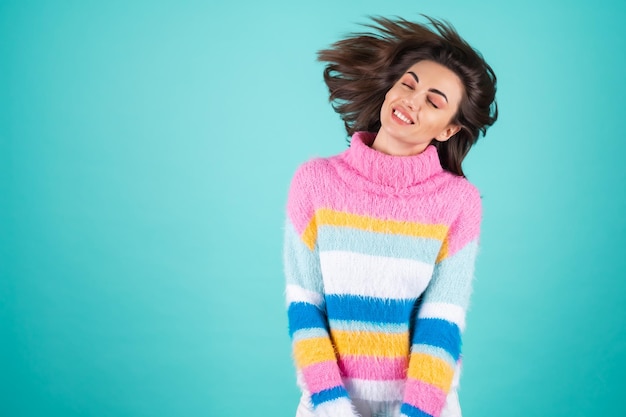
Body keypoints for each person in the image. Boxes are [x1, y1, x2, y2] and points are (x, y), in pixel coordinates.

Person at [283, 16, 498, 417]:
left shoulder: (457, 202)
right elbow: (305, 307)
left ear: (449, 129)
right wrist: (331, 407)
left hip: (424, 409)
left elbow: (442, 322)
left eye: (434, 101)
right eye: (408, 84)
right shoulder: (314, 182)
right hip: (324, 407)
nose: (412, 101)